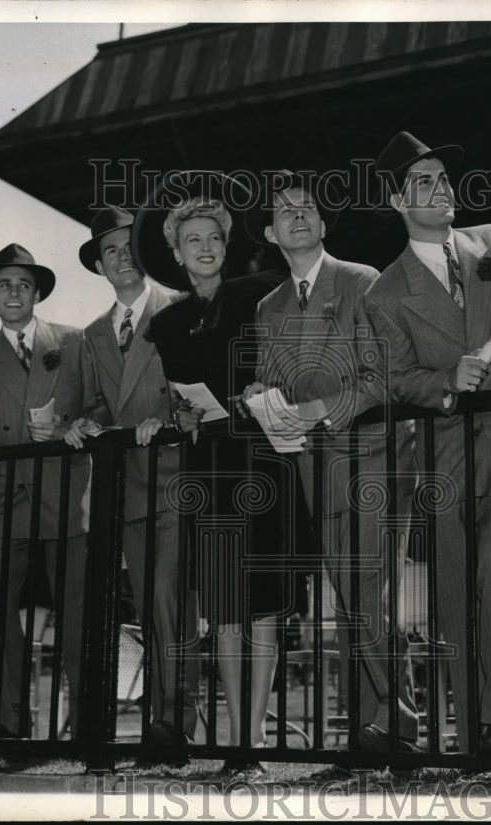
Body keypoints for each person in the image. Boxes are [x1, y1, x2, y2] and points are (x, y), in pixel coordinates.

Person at [364, 132, 491, 756]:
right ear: (396, 200)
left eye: (443, 178)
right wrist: (447, 379)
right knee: (454, 594)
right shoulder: (384, 292)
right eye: (423, 181)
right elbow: (394, 377)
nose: (441, 189)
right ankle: (476, 734)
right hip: (445, 455)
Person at [243, 170, 419, 756]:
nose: (299, 215)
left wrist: (323, 406)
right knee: (346, 595)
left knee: (370, 587)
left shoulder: (361, 281)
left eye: (309, 207)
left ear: (321, 223)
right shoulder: (268, 306)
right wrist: (257, 398)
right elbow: (271, 379)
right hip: (312, 465)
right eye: (286, 209)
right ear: (270, 232)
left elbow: (385, 376)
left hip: (369, 455)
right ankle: (372, 726)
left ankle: (397, 721)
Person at [143, 175, 296, 778]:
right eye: (191, 240)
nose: (204, 247)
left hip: (262, 462)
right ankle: (234, 742)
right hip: (209, 471)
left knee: (262, 609)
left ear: (227, 244)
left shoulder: (260, 293)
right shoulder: (169, 324)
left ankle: (252, 743)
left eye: (213, 237)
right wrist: (182, 411)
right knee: (226, 610)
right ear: (176, 253)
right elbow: (181, 397)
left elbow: (283, 361)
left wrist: (267, 386)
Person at [65, 205, 200, 754]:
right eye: (110, 251)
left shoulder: (182, 308)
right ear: (99, 265)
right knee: (149, 606)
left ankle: (173, 723)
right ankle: (160, 720)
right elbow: (99, 402)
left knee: (172, 601)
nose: (122, 258)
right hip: (127, 489)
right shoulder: (92, 335)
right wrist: (83, 422)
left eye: (129, 246)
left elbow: (199, 393)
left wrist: (168, 421)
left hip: (178, 479)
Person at [0, 243, 91, 741]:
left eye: (23, 284)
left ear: (37, 295)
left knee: (76, 618)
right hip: (8, 501)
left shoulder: (73, 342)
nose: (14, 292)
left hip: (68, 494)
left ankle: (87, 727)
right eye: (4, 284)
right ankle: (10, 723)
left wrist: (72, 427)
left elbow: (98, 407)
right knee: (3, 618)